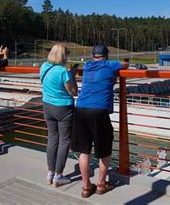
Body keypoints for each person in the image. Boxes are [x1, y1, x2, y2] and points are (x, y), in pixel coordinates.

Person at [71, 43, 128, 198]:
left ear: (93, 56)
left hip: (81, 109)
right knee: (104, 150)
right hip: (99, 111)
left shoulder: (88, 65)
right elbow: (125, 64)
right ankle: (101, 185)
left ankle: (86, 187)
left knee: (84, 151)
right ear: (106, 56)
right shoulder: (109, 65)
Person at [40, 43, 78, 187]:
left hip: (47, 106)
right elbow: (73, 92)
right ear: (63, 55)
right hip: (63, 109)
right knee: (64, 141)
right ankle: (58, 176)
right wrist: (73, 75)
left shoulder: (44, 66)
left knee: (52, 138)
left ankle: (50, 173)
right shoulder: (63, 71)